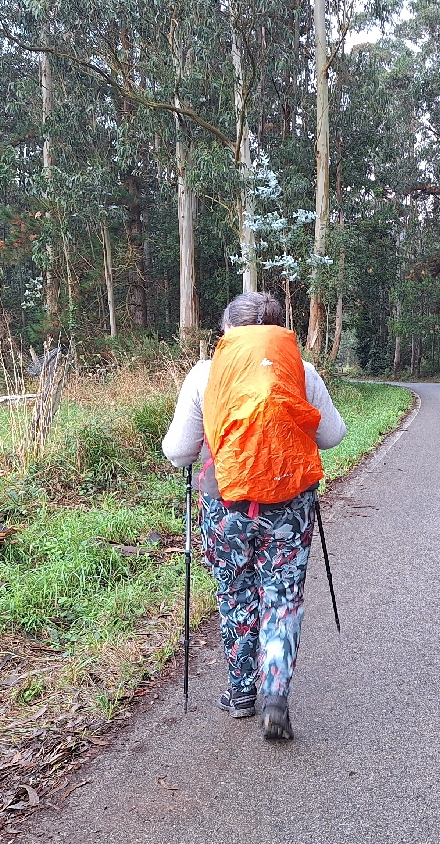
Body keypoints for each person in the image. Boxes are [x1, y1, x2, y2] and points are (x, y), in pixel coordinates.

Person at [162, 291, 347, 740]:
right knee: (281, 597)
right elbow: (334, 436)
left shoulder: (205, 375)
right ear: (280, 331)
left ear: (227, 331)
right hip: (291, 507)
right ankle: (275, 688)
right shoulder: (301, 372)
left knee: (235, 595)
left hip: (224, 506)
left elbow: (177, 452)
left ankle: (241, 691)